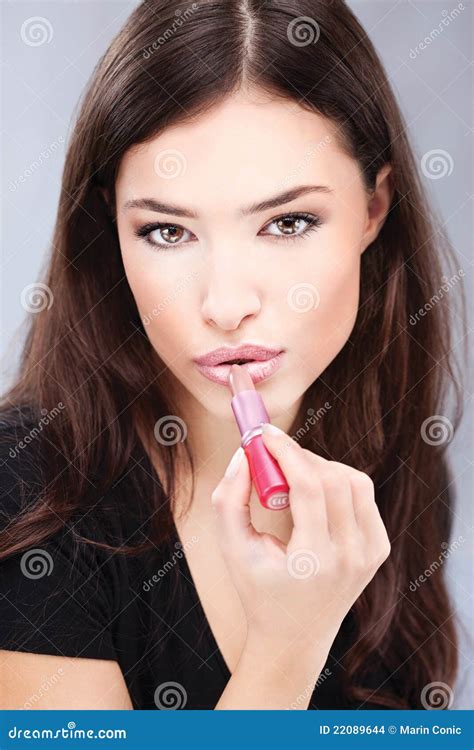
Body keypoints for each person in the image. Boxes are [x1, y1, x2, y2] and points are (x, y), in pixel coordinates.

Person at [0, 0, 464, 710]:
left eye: (288, 222)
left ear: (375, 209)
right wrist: (288, 647)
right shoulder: (28, 491)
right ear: (111, 233)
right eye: (165, 231)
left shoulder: (402, 470)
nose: (224, 303)